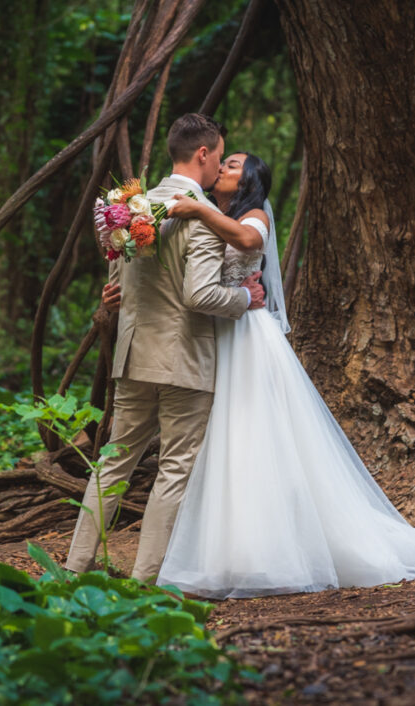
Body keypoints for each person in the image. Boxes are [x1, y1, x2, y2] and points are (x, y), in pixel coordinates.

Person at [156, 151, 415, 599]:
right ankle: (228, 551)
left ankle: (270, 553)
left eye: (234, 165)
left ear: (250, 181)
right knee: (224, 437)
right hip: (217, 332)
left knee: (251, 433)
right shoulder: (211, 216)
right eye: (224, 162)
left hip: (249, 337)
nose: (223, 168)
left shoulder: (253, 217)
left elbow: (248, 241)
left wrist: (198, 210)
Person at [65, 115, 265, 580]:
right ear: (203, 153)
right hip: (186, 358)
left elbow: (117, 284)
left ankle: (73, 569)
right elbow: (200, 296)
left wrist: (115, 300)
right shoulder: (200, 214)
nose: (220, 166)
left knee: (113, 463)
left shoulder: (129, 208)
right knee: (173, 470)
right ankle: (144, 581)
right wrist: (244, 297)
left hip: (134, 354)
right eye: (220, 156)